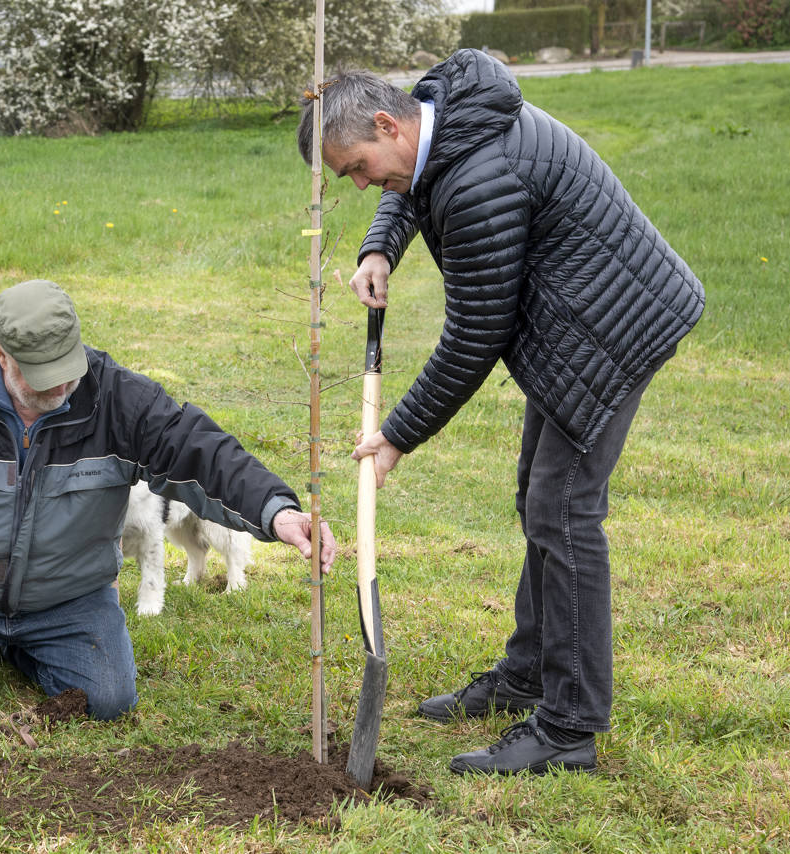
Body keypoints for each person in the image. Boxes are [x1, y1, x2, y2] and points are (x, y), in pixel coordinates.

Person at [298, 50, 703, 774]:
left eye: (357, 167)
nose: (361, 184)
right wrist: (380, 246)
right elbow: (409, 180)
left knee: (562, 510)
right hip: (574, 320)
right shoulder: (439, 115)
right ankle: (527, 676)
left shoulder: (480, 180)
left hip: (612, 325)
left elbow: (475, 334)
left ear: (387, 123)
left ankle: (569, 727)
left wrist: (395, 437)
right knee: (538, 497)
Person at [0, 279, 335, 721]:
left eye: (66, 373)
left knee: (108, 701)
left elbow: (200, 453)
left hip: (70, 596)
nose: (60, 389)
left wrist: (276, 512)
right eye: (42, 378)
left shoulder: (118, 400)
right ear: (1, 355)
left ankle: (30, 647)